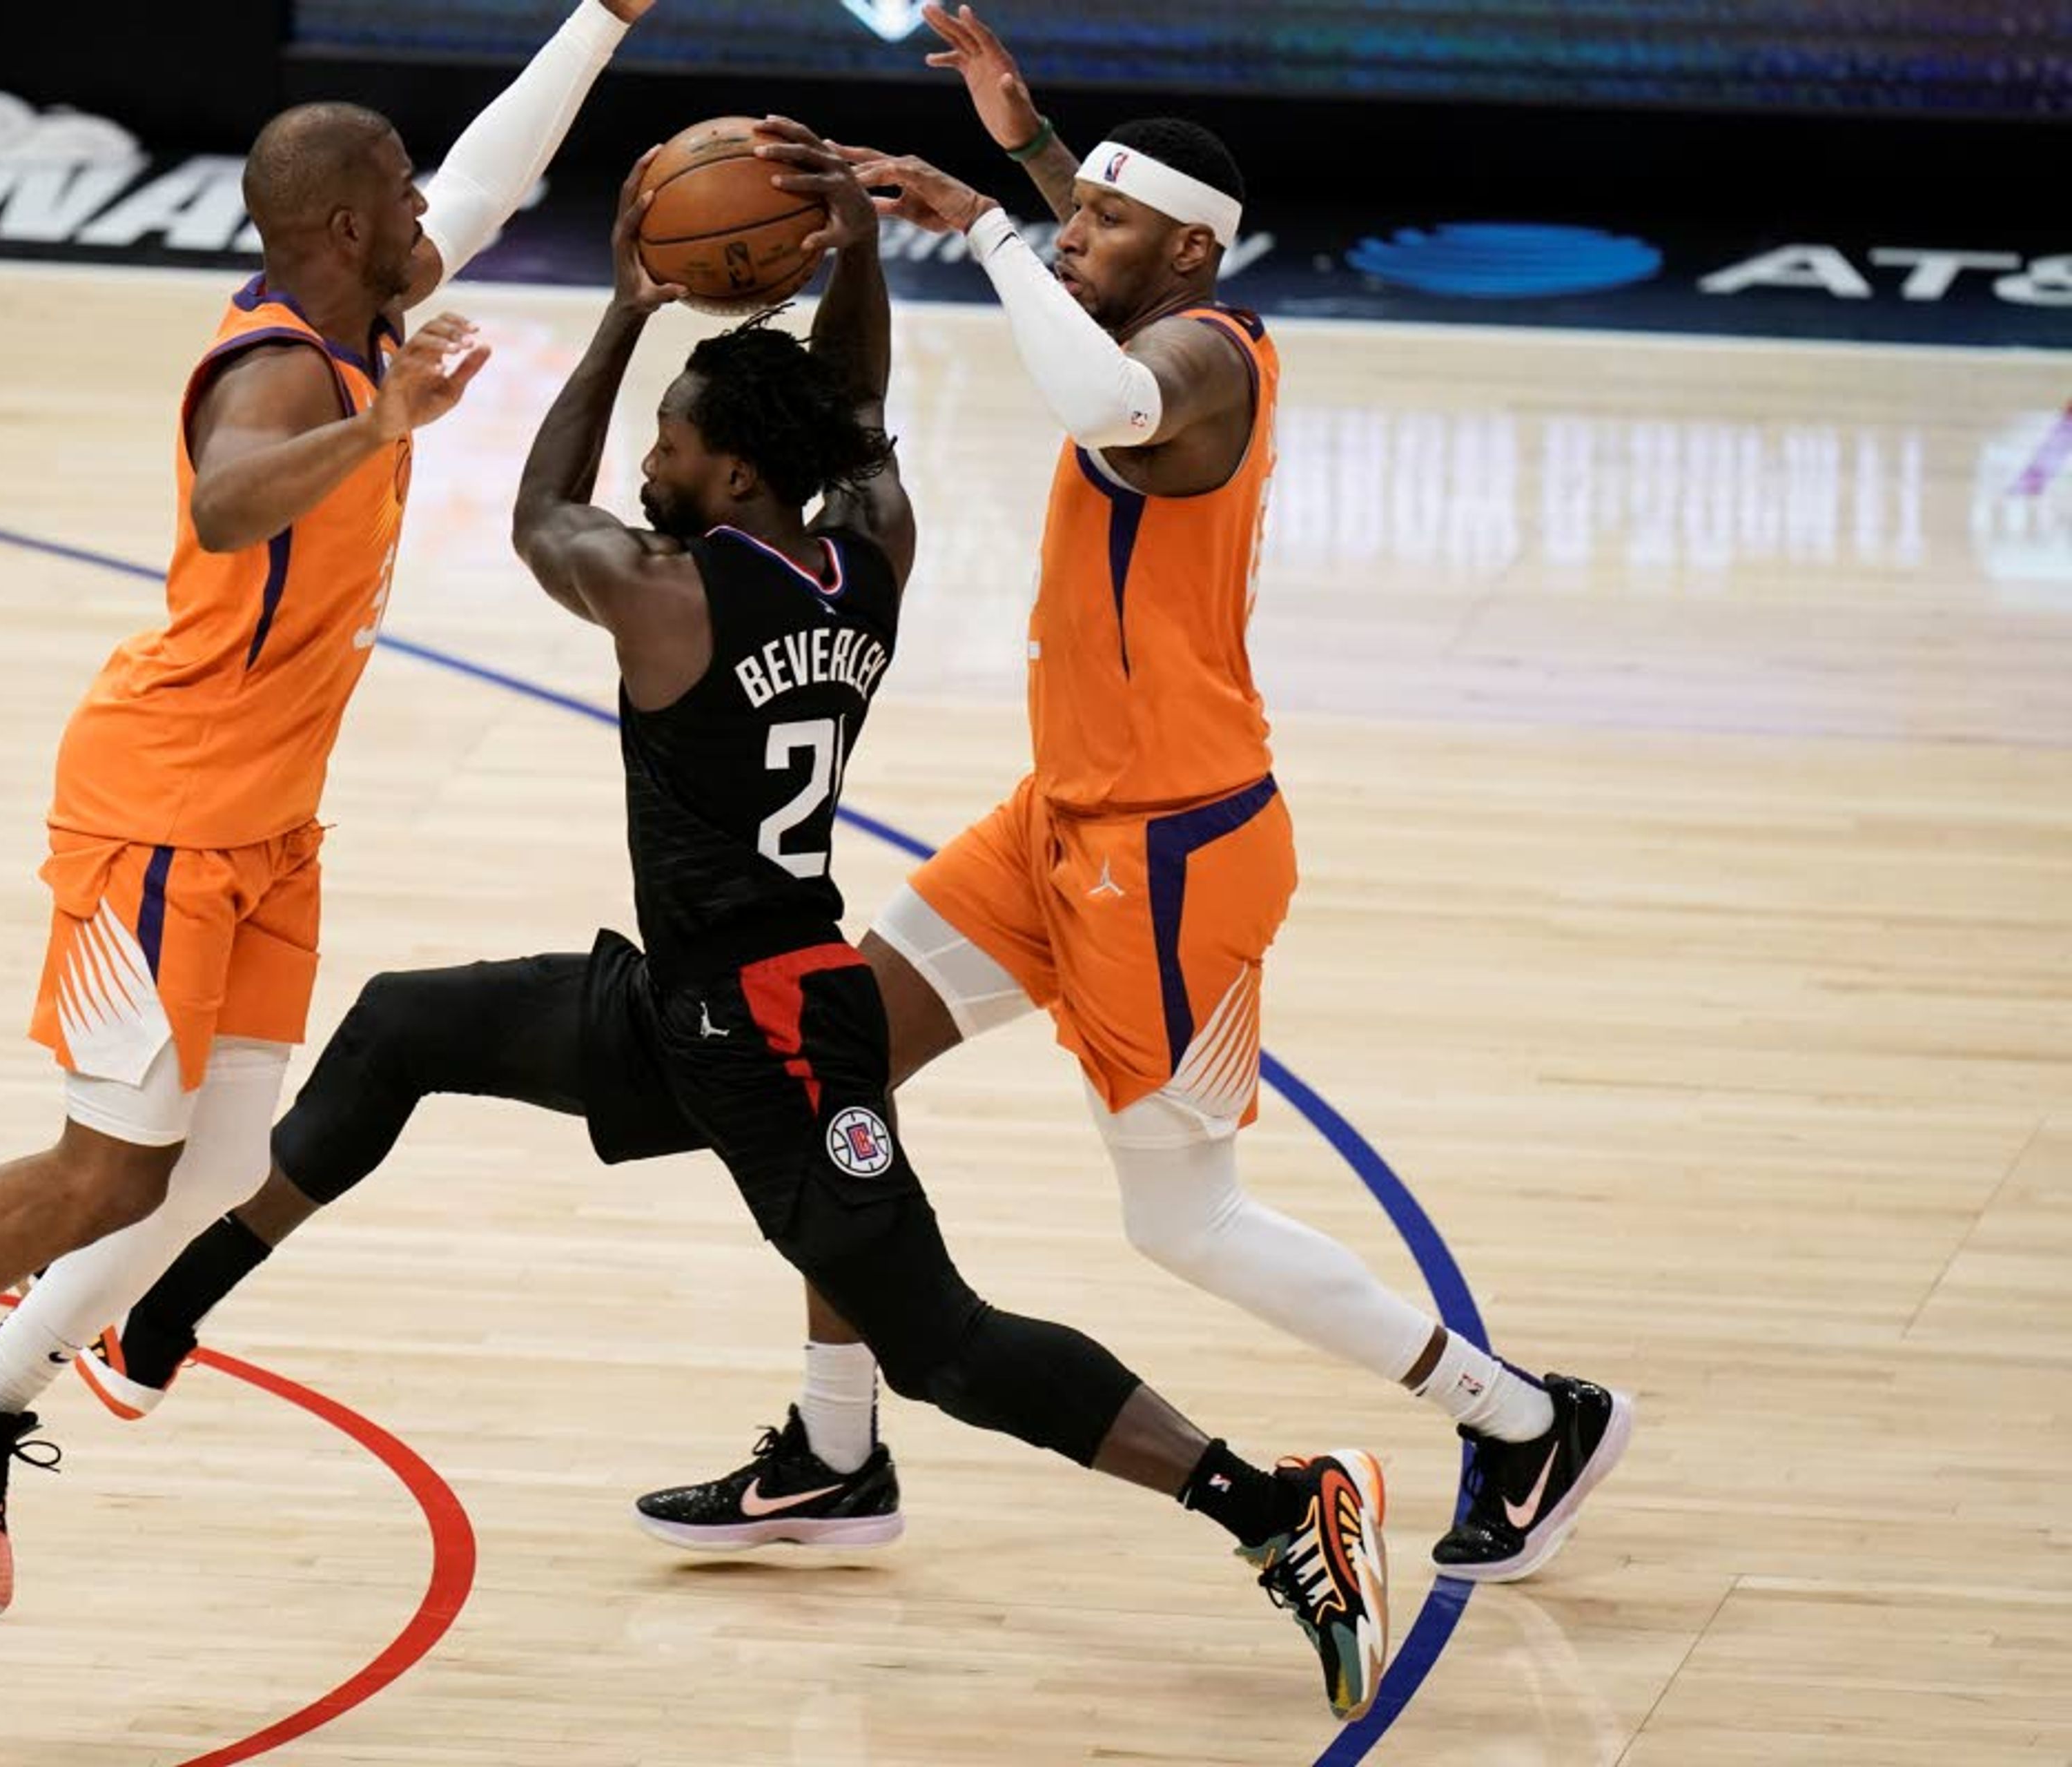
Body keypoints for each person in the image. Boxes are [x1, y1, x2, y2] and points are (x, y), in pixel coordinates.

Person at [88, 4, 1630, 1590]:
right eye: (1070, 214)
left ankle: (1501, 1420)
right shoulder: (871, 547)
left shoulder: (1180, 369)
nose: (1066, 234)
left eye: (1104, 224)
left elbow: (1070, 385)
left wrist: (741, 278)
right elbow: (876, 426)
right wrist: (944, 206)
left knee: (1156, 1231)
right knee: (787, 1040)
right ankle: (833, 1450)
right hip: (1040, 829)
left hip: (1155, 850)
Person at [0, 0, 656, 1619]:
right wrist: (375, 429)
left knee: (215, 1168)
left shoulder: (355, 305)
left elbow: (487, 185)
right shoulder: (282, 371)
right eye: (407, 205)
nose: (437, 222)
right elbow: (229, 499)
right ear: (349, 227)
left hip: (271, 819)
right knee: (105, 1168)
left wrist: (600, 19)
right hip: (161, 813)